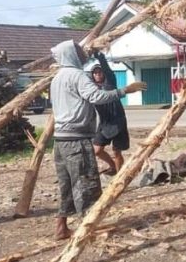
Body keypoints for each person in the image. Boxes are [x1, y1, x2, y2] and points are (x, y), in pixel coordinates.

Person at [49, 40, 146, 240]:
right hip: (76, 139)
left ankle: (61, 227)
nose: (83, 53)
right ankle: (87, 230)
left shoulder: (57, 78)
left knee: (67, 185)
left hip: (60, 141)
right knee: (86, 184)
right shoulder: (77, 75)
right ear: (70, 54)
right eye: (78, 50)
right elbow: (96, 97)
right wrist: (125, 91)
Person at [89, 51, 132, 176]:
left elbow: (107, 69)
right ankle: (112, 166)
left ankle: (119, 176)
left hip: (118, 122)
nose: (98, 74)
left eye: (99, 72)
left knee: (117, 151)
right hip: (104, 123)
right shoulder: (92, 89)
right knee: (97, 150)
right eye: (95, 73)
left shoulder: (110, 83)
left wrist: (99, 56)